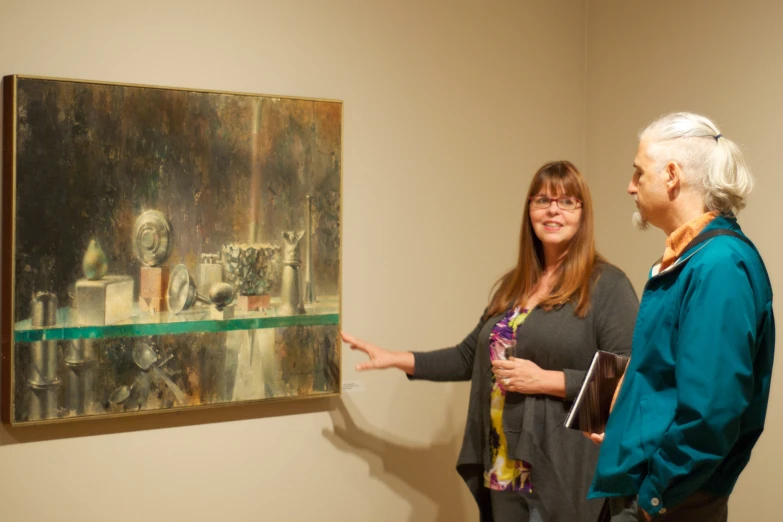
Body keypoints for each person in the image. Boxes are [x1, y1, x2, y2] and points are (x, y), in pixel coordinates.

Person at [341, 161, 639, 522]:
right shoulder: (514, 284)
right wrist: (395, 357)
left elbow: (624, 374)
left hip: (560, 466)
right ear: (529, 210)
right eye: (542, 200)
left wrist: (545, 380)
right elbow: (469, 357)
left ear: (583, 213)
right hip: (502, 462)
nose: (553, 210)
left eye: (567, 201)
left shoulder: (606, 284)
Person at [589, 113, 775, 522]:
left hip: (673, 499)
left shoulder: (720, 266)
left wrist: (653, 499)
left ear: (671, 175)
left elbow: (711, 413)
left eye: (638, 172)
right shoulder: (687, 260)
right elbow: (669, 378)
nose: (630, 186)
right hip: (656, 488)